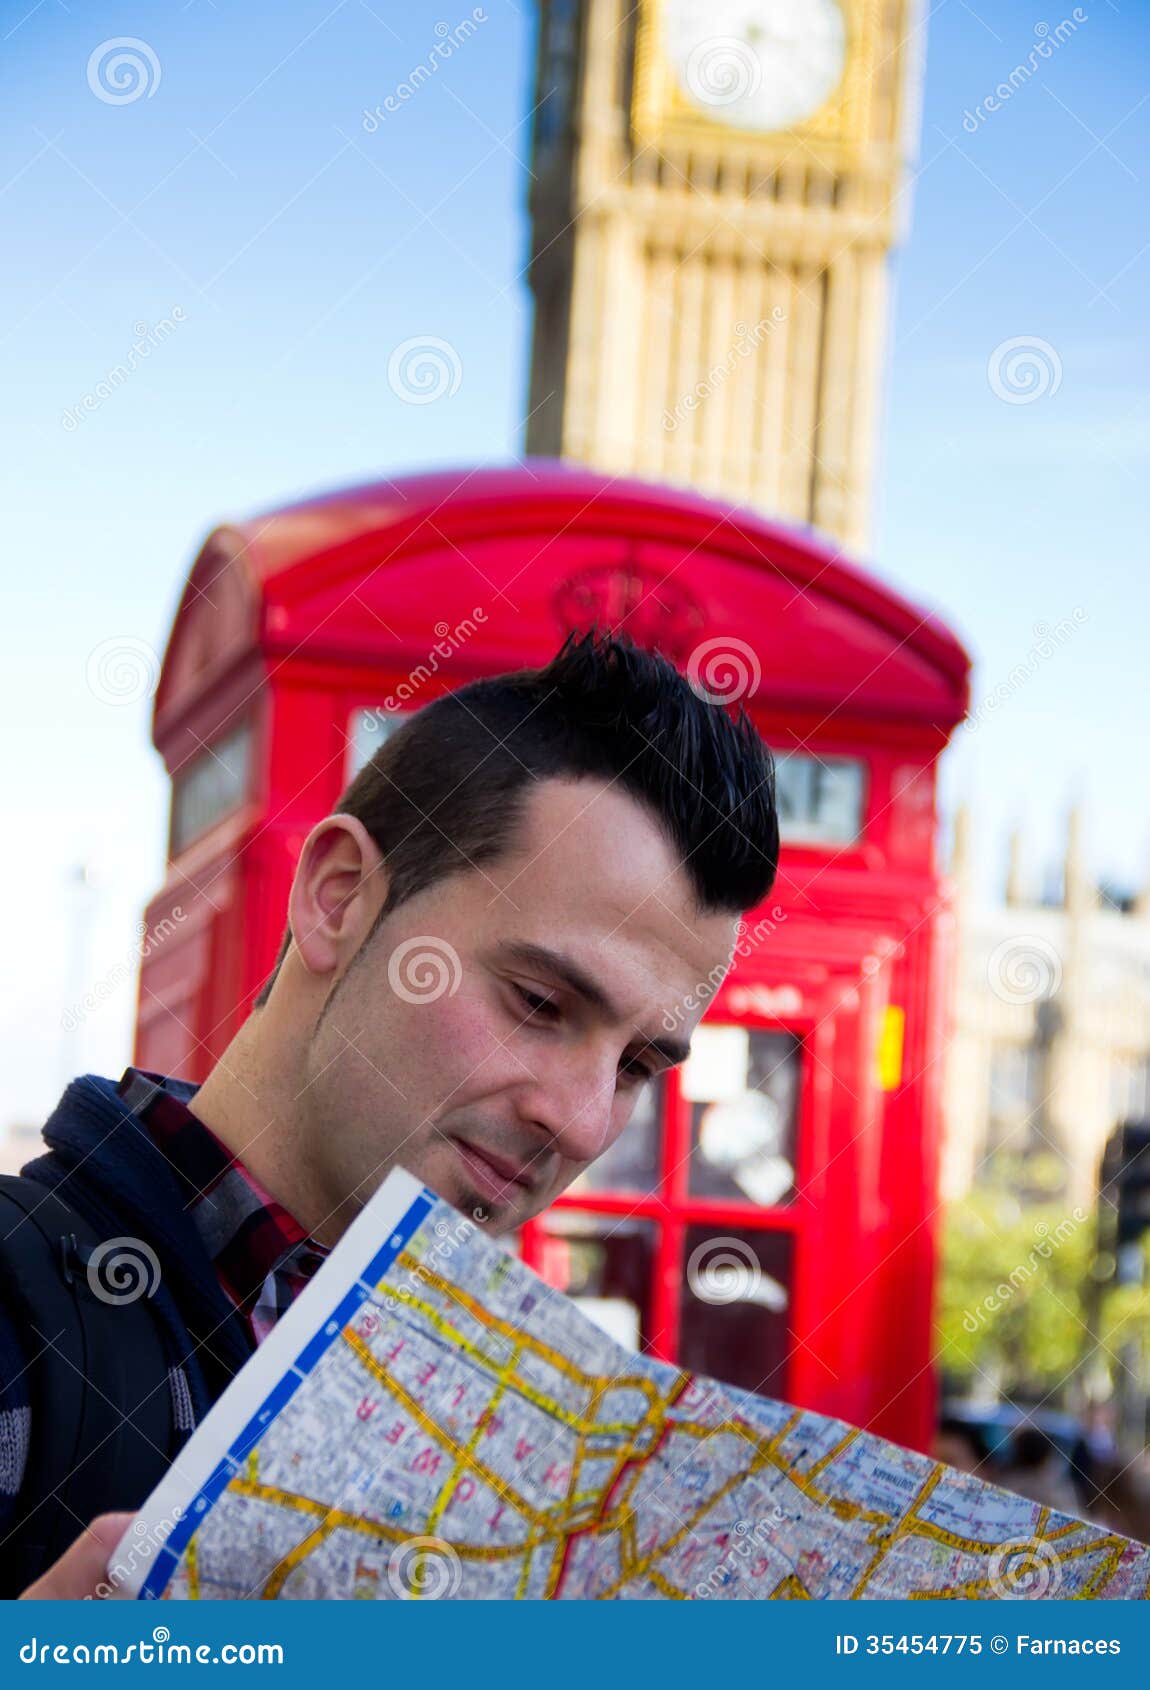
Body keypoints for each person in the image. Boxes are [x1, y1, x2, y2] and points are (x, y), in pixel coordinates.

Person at [0, 631, 779, 1597]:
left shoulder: (502, 1447)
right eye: (538, 1003)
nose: (580, 1125)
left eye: (636, 1066)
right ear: (337, 899)